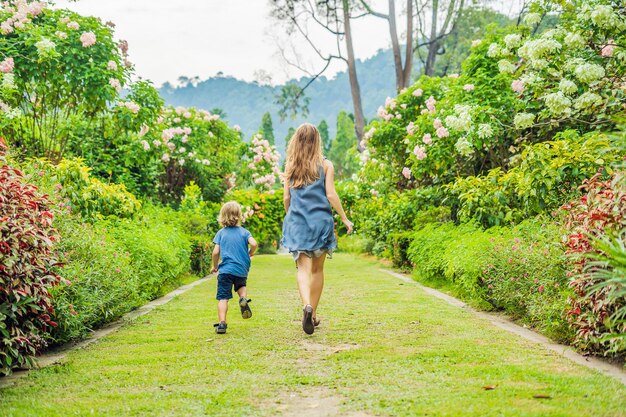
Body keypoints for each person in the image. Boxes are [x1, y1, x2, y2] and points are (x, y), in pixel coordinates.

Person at [281, 123, 353, 335]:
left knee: (302, 269)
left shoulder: (290, 166)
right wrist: (345, 219)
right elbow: (331, 195)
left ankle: (306, 306)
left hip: (298, 222)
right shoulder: (326, 164)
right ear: (317, 141)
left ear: (297, 140)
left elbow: (286, 198)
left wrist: (290, 216)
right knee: (318, 270)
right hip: (321, 222)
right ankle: (312, 315)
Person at [211, 201, 258, 334]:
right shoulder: (244, 232)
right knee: (241, 286)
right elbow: (254, 243)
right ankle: (242, 299)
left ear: (222, 216)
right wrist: (251, 252)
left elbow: (215, 252)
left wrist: (215, 267)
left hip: (225, 270)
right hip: (241, 269)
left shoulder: (221, 233)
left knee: (223, 297)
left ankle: (222, 324)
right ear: (238, 215)